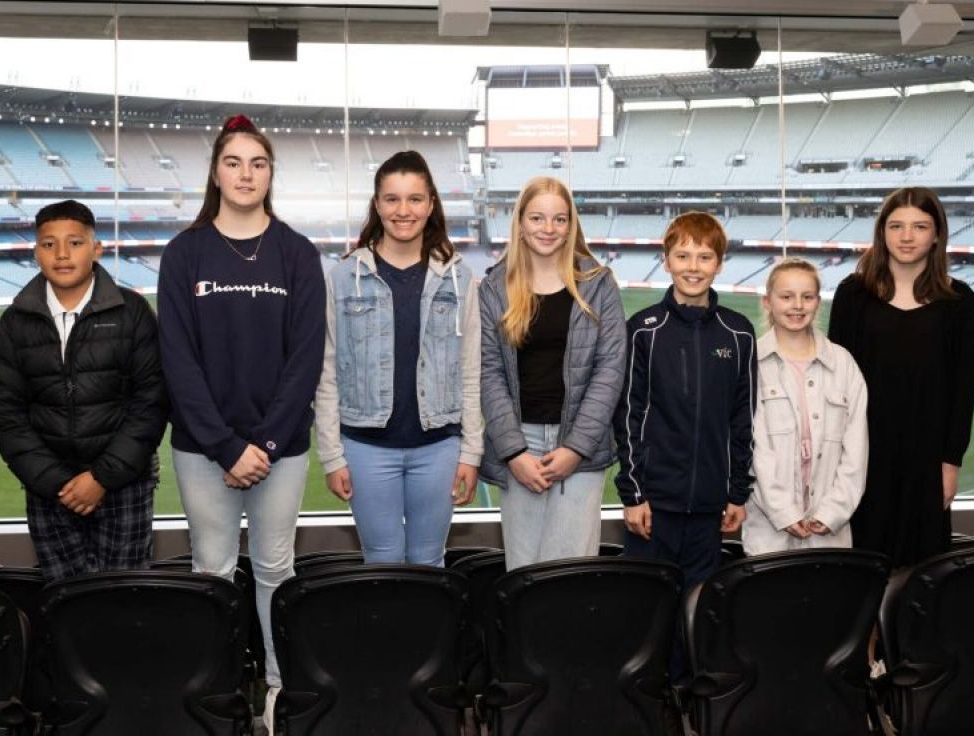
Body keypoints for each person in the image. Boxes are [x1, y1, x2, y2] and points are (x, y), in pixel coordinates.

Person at [157, 114, 325, 728]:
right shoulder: (183, 253)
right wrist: (227, 447)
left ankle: (280, 694)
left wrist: (267, 443)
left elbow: (305, 359)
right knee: (212, 569)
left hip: (281, 450)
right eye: (234, 162)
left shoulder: (297, 253)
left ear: (271, 173)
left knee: (277, 569)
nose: (246, 173)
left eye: (258, 163)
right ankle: (219, 693)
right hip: (205, 451)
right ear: (215, 172)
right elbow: (178, 361)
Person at [314, 150, 481, 566]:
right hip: (367, 447)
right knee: (382, 562)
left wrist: (470, 453)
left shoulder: (459, 278)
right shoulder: (343, 277)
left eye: (414, 199)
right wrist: (333, 455)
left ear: (431, 205)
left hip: (439, 446)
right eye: (392, 199)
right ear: (377, 204)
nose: (403, 210)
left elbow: (470, 371)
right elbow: (327, 372)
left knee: (429, 561)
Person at [0, 200, 167, 582]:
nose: (62, 254)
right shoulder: (15, 323)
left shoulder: (131, 312)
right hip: (50, 490)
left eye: (75, 243)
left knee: (124, 599)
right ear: (35, 251)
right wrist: (55, 482)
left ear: (96, 249)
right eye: (49, 244)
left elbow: (150, 403)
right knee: (64, 603)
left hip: (124, 484)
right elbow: (6, 413)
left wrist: (101, 478)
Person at [613, 211, 755, 684]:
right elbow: (628, 416)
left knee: (695, 618)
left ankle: (684, 699)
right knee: (644, 614)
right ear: (666, 260)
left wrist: (737, 492)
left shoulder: (738, 333)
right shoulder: (643, 329)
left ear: (719, 263)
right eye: (683, 255)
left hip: (710, 509)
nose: (693, 266)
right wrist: (632, 495)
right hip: (653, 505)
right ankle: (643, 704)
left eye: (705, 256)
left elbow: (743, 418)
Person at [480, 176, 626, 571]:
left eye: (559, 219)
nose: (548, 229)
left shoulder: (598, 283)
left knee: (572, 575)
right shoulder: (495, 286)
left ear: (571, 225)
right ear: (521, 223)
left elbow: (610, 370)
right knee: (524, 573)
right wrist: (513, 452)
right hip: (519, 446)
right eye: (538, 218)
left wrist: (576, 448)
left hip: (579, 444)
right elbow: (488, 373)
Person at [828, 187, 974, 567]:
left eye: (919, 226)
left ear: (937, 234)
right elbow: (836, 384)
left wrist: (950, 462)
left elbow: (963, 390)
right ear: (882, 232)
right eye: (896, 226)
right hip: (863, 453)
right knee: (862, 567)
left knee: (921, 571)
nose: (907, 236)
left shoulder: (958, 301)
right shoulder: (852, 295)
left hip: (926, 458)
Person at [743, 258, 867, 555]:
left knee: (830, 601)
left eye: (807, 296)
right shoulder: (749, 363)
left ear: (817, 302)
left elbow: (856, 450)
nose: (797, 305)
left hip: (830, 531)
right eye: (786, 297)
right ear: (767, 302)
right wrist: (784, 512)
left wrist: (833, 511)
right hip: (768, 531)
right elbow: (752, 449)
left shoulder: (843, 364)